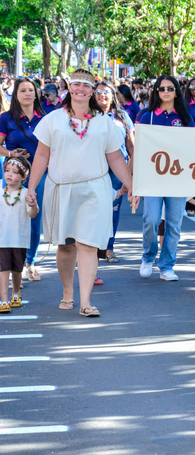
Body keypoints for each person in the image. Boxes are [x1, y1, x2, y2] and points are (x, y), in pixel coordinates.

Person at [27, 69, 134, 318]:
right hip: (60, 187)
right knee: (66, 246)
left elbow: (115, 156)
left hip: (95, 189)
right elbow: (42, 155)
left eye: (86, 86)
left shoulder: (104, 122)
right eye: (76, 85)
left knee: (88, 244)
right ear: (69, 88)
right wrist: (31, 187)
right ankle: (67, 292)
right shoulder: (53, 119)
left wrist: (129, 184)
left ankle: (86, 301)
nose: (80, 90)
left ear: (93, 90)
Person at [137, 74, 195, 282]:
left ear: (176, 91)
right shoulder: (147, 116)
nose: (166, 92)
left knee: (174, 224)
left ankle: (167, 265)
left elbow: (194, 144)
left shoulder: (185, 116)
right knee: (151, 220)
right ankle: (148, 257)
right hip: (153, 177)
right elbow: (140, 148)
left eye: (170, 89)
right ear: (156, 92)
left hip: (177, 177)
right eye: (162, 89)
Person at [0, 77, 46, 282]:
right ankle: (9, 267)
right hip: (12, 177)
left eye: (31, 90)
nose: (27, 94)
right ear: (15, 94)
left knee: (33, 217)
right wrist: (10, 153)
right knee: (9, 220)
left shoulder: (45, 117)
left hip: (40, 175)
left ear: (36, 93)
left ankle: (30, 263)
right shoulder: (6, 118)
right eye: (22, 91)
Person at [94, 80, 135, 266]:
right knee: (93, 210)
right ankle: (91, 249)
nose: (102, 95)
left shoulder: (123, 116)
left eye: (106, 92)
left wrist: (131, 174)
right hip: (94, 170)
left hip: (118, 171)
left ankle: (108, 248)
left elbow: (132, 146)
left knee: (113, 210)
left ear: (113, 96)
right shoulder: (88, 116)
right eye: (98, 92)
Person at [0, 157, 38, 313]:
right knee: (3, 269)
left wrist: (33, 204)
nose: (10, 174)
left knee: (17, 270)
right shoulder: (1, 193)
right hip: (2, 240)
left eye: (15, 172)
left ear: (24, 177)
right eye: (7, 171)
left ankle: (16, 293)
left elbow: (33, 214)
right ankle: (3, 300)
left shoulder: (25, 195)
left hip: (20, 240)